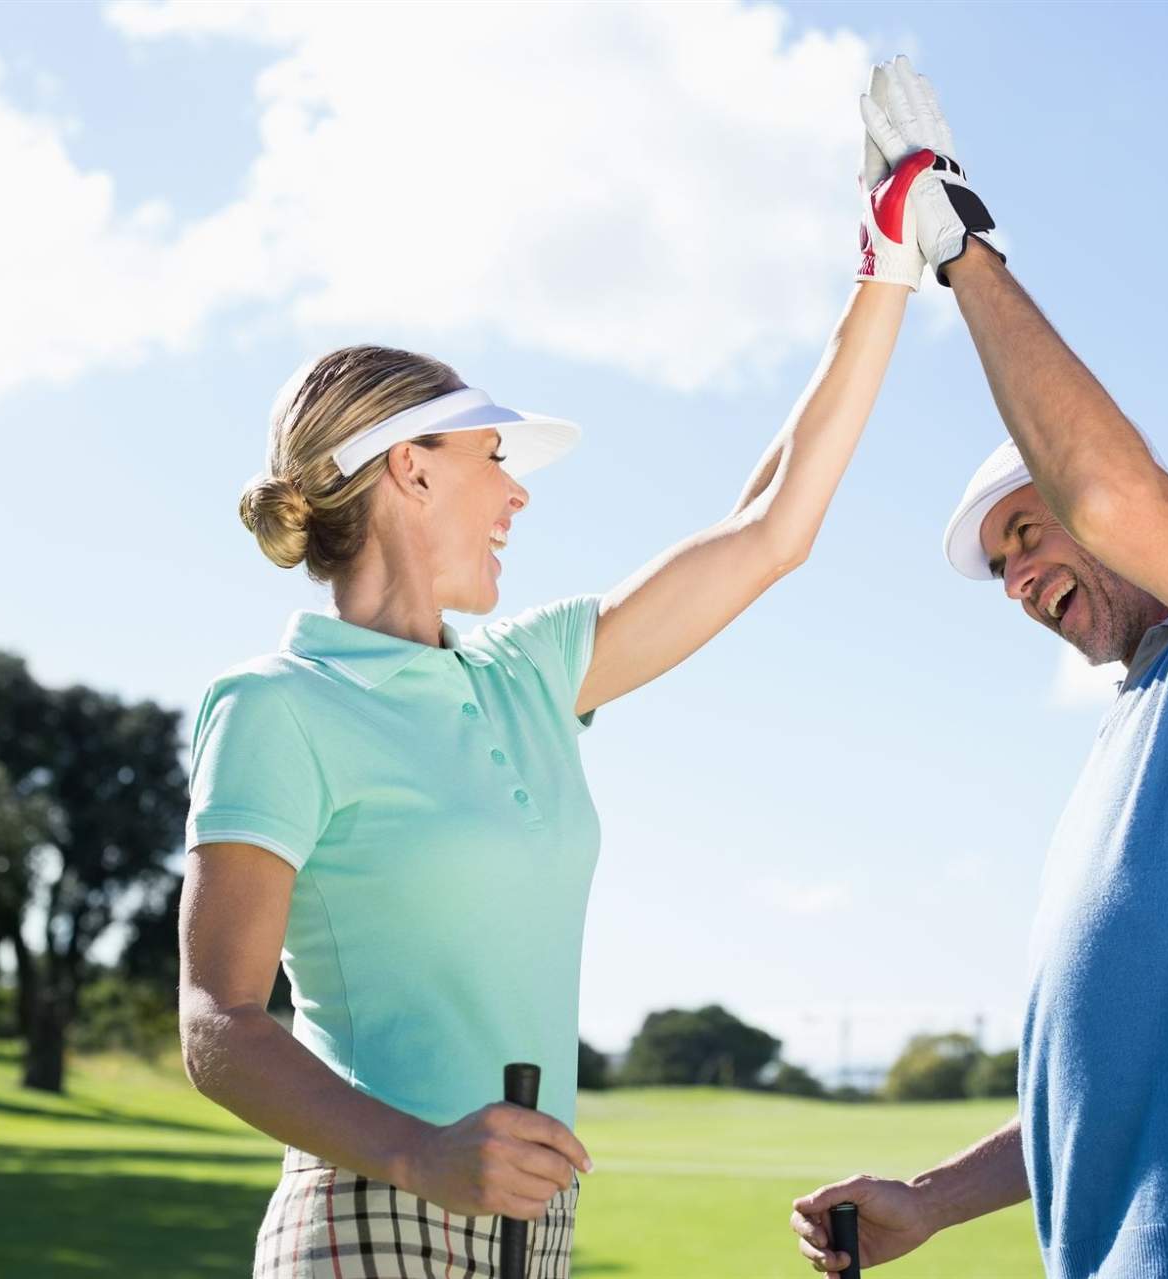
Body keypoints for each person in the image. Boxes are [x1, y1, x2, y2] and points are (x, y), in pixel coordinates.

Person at [178, 98, 937, 1277]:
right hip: (372, 1208)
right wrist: (423, 1153)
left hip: (535, 1225)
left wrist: (884, 269)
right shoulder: (277, 707)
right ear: (409, 470)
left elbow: (766, 532)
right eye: (494, 460)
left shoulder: (528, 671)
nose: (518, 496)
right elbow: (217, 1024)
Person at [792, 57, 1168, 1279]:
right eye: (999, 567)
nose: (1016, 579)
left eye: (1029, 532)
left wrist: (955, 245)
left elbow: (1117, 493)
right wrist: (928, 1199)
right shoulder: (1126, 735)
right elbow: (1107, 1077)